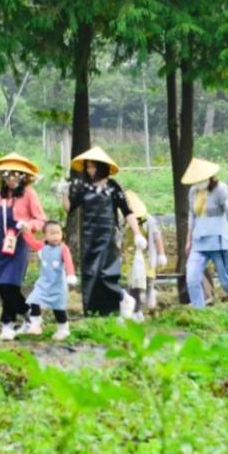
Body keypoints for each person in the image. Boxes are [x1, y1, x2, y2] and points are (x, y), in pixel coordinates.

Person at [0, 152, 47, 341]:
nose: (11, 179)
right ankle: (27, 316)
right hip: (1, 244)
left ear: (22, 176)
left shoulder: (29, 193)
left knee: (10, 284)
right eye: (7, 175)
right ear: (2, 177)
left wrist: (29, 225)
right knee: (1, 284)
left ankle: (9, 323)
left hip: (19, 242)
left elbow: (41, 219)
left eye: (15, 175)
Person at [62, 146, 143, 317]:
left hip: (107, 235)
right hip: (88, 236)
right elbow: (69, 209)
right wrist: (63, 193)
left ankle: (121, 299)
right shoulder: (84, 187)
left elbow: (127, 211)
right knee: (90, 274)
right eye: (88, 167)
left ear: (101, 167)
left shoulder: (113, 186)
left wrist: (137, 233)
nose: (90, 170)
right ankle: (93, 313)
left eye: (93, 166)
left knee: (106, 273)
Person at [180, 157, 228, 313]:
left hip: (218, 242)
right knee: (192, 278)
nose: (198, 182)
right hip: (199, 242)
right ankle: (200, 313)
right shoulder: (193, 191)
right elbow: (192, 216)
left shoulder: (221, 189)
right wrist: (188, 240)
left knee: (226, 282)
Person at [25, 219, 77, 340]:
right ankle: (36, 324)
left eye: (58, 233)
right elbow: (30, 241)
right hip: (43, 282)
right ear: (45, 235)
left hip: (58, 284)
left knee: (58, 308)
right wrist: (25, 232)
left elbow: (68, 261)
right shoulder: (42, 246)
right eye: (52, 233)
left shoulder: (63, 248)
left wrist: (70, 274)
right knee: (34, 299)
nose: (56, 236)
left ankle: (63, 329)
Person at [123, 190, 166, 320]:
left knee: (148, 279)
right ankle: (136, 310)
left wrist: (161, 254)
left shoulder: (149, 220)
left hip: (146, 255)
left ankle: (150, 295)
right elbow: (120, 239)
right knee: (134, 284)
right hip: (130, 257)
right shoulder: (123, 221)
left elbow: (157, 237)